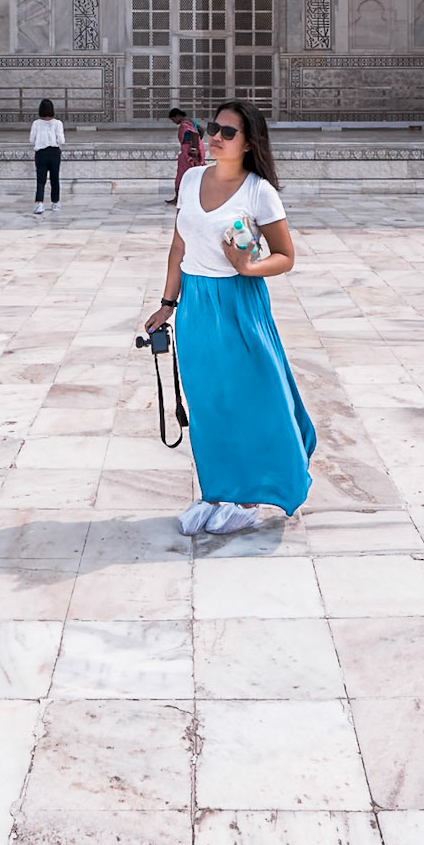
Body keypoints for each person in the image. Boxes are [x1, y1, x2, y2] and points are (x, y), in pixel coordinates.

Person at [144, 99, 314, 537]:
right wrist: (167, 303)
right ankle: (216, 491)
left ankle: (250, 497)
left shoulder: (259, 192)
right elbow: (179, 246)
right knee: (207, 402)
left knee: (250, 399)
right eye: (213, 128)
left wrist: (247, 266)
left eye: (227, 132)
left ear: (249, 142)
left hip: (239, 302)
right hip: (196, 305)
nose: (215, 137)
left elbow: (285, 256)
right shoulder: (192, 180)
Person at [28, 97, 64, 214]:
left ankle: (39, 203)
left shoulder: (36, 123)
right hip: (54, 152)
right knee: (55, 178)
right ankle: (55, 202)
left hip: (41, 153)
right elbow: (61, 140)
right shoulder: (58, 123)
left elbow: (31, 140)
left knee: (41, 179)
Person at [166, 106, 203, 204]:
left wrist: (193, 148)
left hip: (188, 151)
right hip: (195, 149)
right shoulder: (192, 122)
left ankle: (178, 198)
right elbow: (201, 131)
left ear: (177, 116)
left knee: (182, 174)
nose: (174, 122)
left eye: (173, 119)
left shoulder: (184, 124)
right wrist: (198, 145)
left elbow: (194, 134)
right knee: (195, 173)